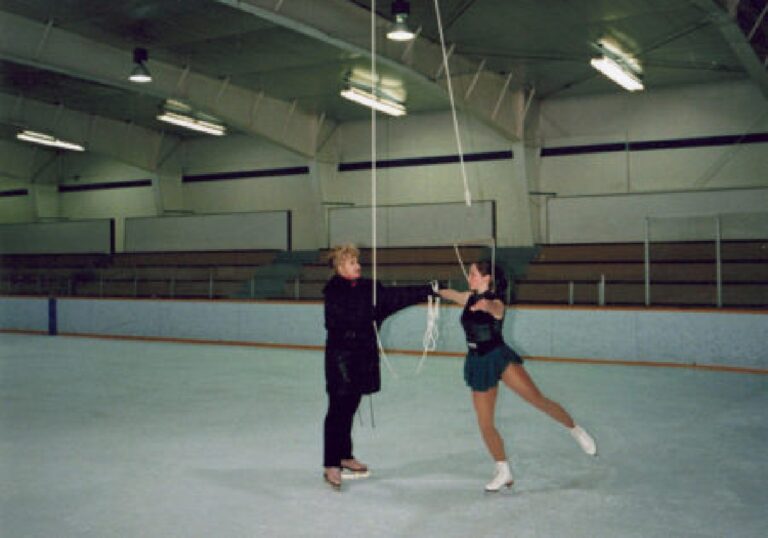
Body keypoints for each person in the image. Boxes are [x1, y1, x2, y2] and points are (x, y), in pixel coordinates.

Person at [435, 260, 597, 492]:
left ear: (486, 278)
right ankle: (503, 470)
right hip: (477, 362)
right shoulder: (468, 298)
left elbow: (495, 309)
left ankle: (575, 430)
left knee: (538, 400)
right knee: (485, 422)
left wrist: (485, 306)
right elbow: (450, 294)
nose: (468, 277)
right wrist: (434, 288)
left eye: (472, 274)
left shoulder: (496, 302)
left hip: (498, 358)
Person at [322, 244, 433, 490]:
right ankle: (331, 463)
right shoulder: (333, 292)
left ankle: (345, 456)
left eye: (357, 261)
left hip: (363, 358)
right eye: (352, 263)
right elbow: (334, 322)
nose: (358, 265)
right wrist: (367, 315)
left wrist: (428, 290)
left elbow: (397, 296)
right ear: (340, 267)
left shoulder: (369, 288)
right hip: (341, 359)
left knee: (350, 407)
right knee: (338, 409)